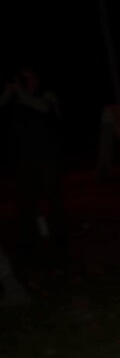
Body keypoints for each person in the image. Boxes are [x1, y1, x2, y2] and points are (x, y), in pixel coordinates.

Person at [2, 67, 64, 251]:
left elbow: (44, 109)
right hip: (22, 159)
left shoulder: (47, 95)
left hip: (48, 157)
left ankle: (59, 237)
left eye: (29, 78)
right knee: (25, 201)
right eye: (22, 79)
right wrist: (9, 91)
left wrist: (20, 93)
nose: (26, 82)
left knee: (54, 199)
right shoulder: (14, 100)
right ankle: (31, 238)